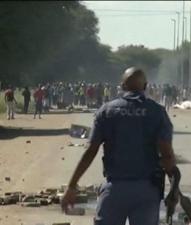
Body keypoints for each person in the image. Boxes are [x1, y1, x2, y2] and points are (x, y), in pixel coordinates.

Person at [61, 67, 179, 225]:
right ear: (145, 86)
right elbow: (167, 156)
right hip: (147, 191)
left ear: (122, 86)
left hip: (114, 189)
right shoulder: (157, 112)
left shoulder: (106, 111)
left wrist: (72, 185)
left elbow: (91, 151)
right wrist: (174, 189)